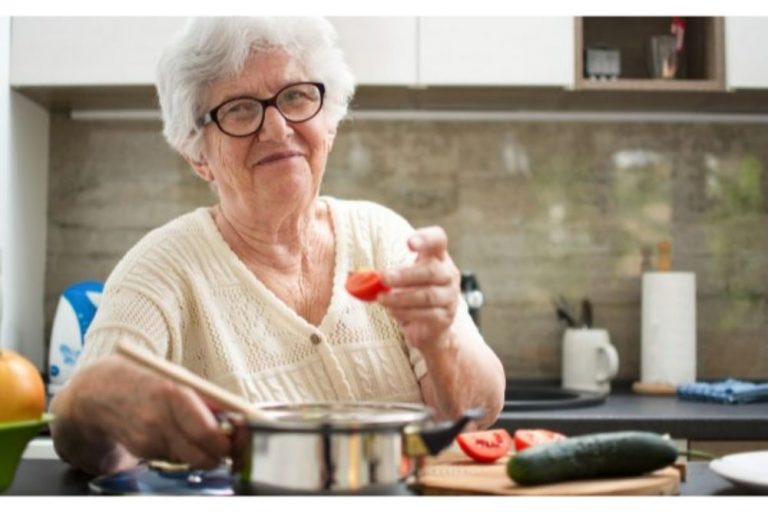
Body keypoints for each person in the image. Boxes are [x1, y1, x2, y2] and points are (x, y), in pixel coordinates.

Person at [50, 17, 506, 476]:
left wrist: (441, 342)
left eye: (295, 96)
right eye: (240, 109)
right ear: (197, 155)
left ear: (327, 124)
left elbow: (478, 414)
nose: (276, 127)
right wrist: (91, 402)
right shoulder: (161, 268)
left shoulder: (383, 235)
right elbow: (80, 433)